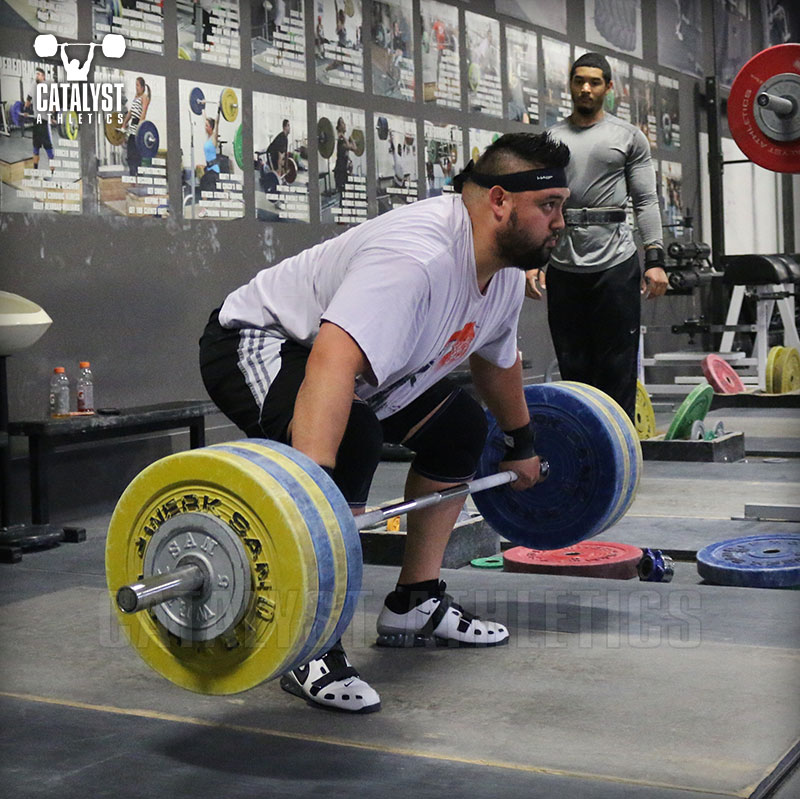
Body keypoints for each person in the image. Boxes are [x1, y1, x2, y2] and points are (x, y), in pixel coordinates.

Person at [199, 131, 570, 714]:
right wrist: (316, 490)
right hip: (266, 339)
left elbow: (498, 363)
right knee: (351, 440)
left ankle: (414, 602)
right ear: (499, 201)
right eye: (549, 207)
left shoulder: (501, 275)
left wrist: (521, 443)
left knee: (462, 431)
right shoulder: (416, 256)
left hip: (372, 366)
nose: (560, 222)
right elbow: (332, 358)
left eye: (562, 207)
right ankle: (310, 646)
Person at [525, 52, 668, 421]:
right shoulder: (550, 139)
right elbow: (540, 202)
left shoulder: (627, 137)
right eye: (579, 81)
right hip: (564, 262)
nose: (585, 88)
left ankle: (619, 449)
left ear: (608, 87)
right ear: (570, 85)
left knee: (617, 365)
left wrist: (655, 258)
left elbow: (646, 199)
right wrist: (534, 260)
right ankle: (584, 444)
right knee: (573, 363)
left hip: (615, 262)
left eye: (594, 82)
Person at [24, 68, 55, 178]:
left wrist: (53, 116)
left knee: (49, 148)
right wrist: (26, 111)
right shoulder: (34, 85)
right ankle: (35, 171)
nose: (37, 76)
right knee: (35, 147)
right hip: (37, 121)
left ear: (44, 77)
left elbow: (53, 104)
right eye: (36, 74)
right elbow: (28, 99)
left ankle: (52, 174)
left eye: (39, 74)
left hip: (45, 122)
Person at [121, 76, 150, 177]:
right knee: (130, 151)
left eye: (137, 85)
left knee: (137, 153)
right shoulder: (135, 97)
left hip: (139, 125)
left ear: (142, 87)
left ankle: (139, 176)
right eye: (135, 85)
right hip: (133, 125)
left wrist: (140, 127)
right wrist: (124, 124)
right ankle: (132, 175)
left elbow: (144, 112)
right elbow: (131, 112)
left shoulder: (144, 97)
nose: (136, 88)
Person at [199, 101, 221, 195]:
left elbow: (217, 123)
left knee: (204, 182)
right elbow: (205, 118)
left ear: (211, 128)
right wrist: (202, 106)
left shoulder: (213, 138)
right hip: (208, 168)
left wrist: (219, 110)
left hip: (214, 169)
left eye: (207, 126)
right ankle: (206, 207)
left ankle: (205, 207)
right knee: (205, 186)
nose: (205, 127)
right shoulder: (207, 137)